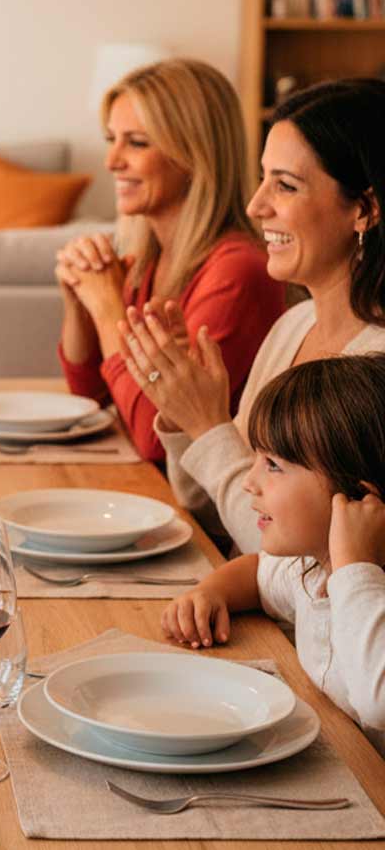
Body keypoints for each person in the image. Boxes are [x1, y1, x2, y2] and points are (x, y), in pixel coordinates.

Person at [122, 79, 385, 554]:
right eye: (263, 178)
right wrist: (185, 413)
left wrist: (208, 426)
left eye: (285, 185)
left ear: (364, 209)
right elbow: (215, 510)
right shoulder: (294, 326)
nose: (255, 205)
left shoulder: (374, 363)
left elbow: (287, 556)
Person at [56, 58, 285, 462]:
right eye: (112, 139)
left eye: (137, 142)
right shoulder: (149, 260)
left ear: (194, 154)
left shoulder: (237, 272)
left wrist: (108, 308)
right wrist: (79, 304)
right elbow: (90, 396)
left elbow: (155, 438)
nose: (112, 161)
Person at [161, 355, 385, 755]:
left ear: (357, 496)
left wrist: (355, 568)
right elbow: (260, 574)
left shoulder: (363, 584)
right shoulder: (313, 569)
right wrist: (211, 592)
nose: (250, 482)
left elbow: (377, 700)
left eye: (274, 466)